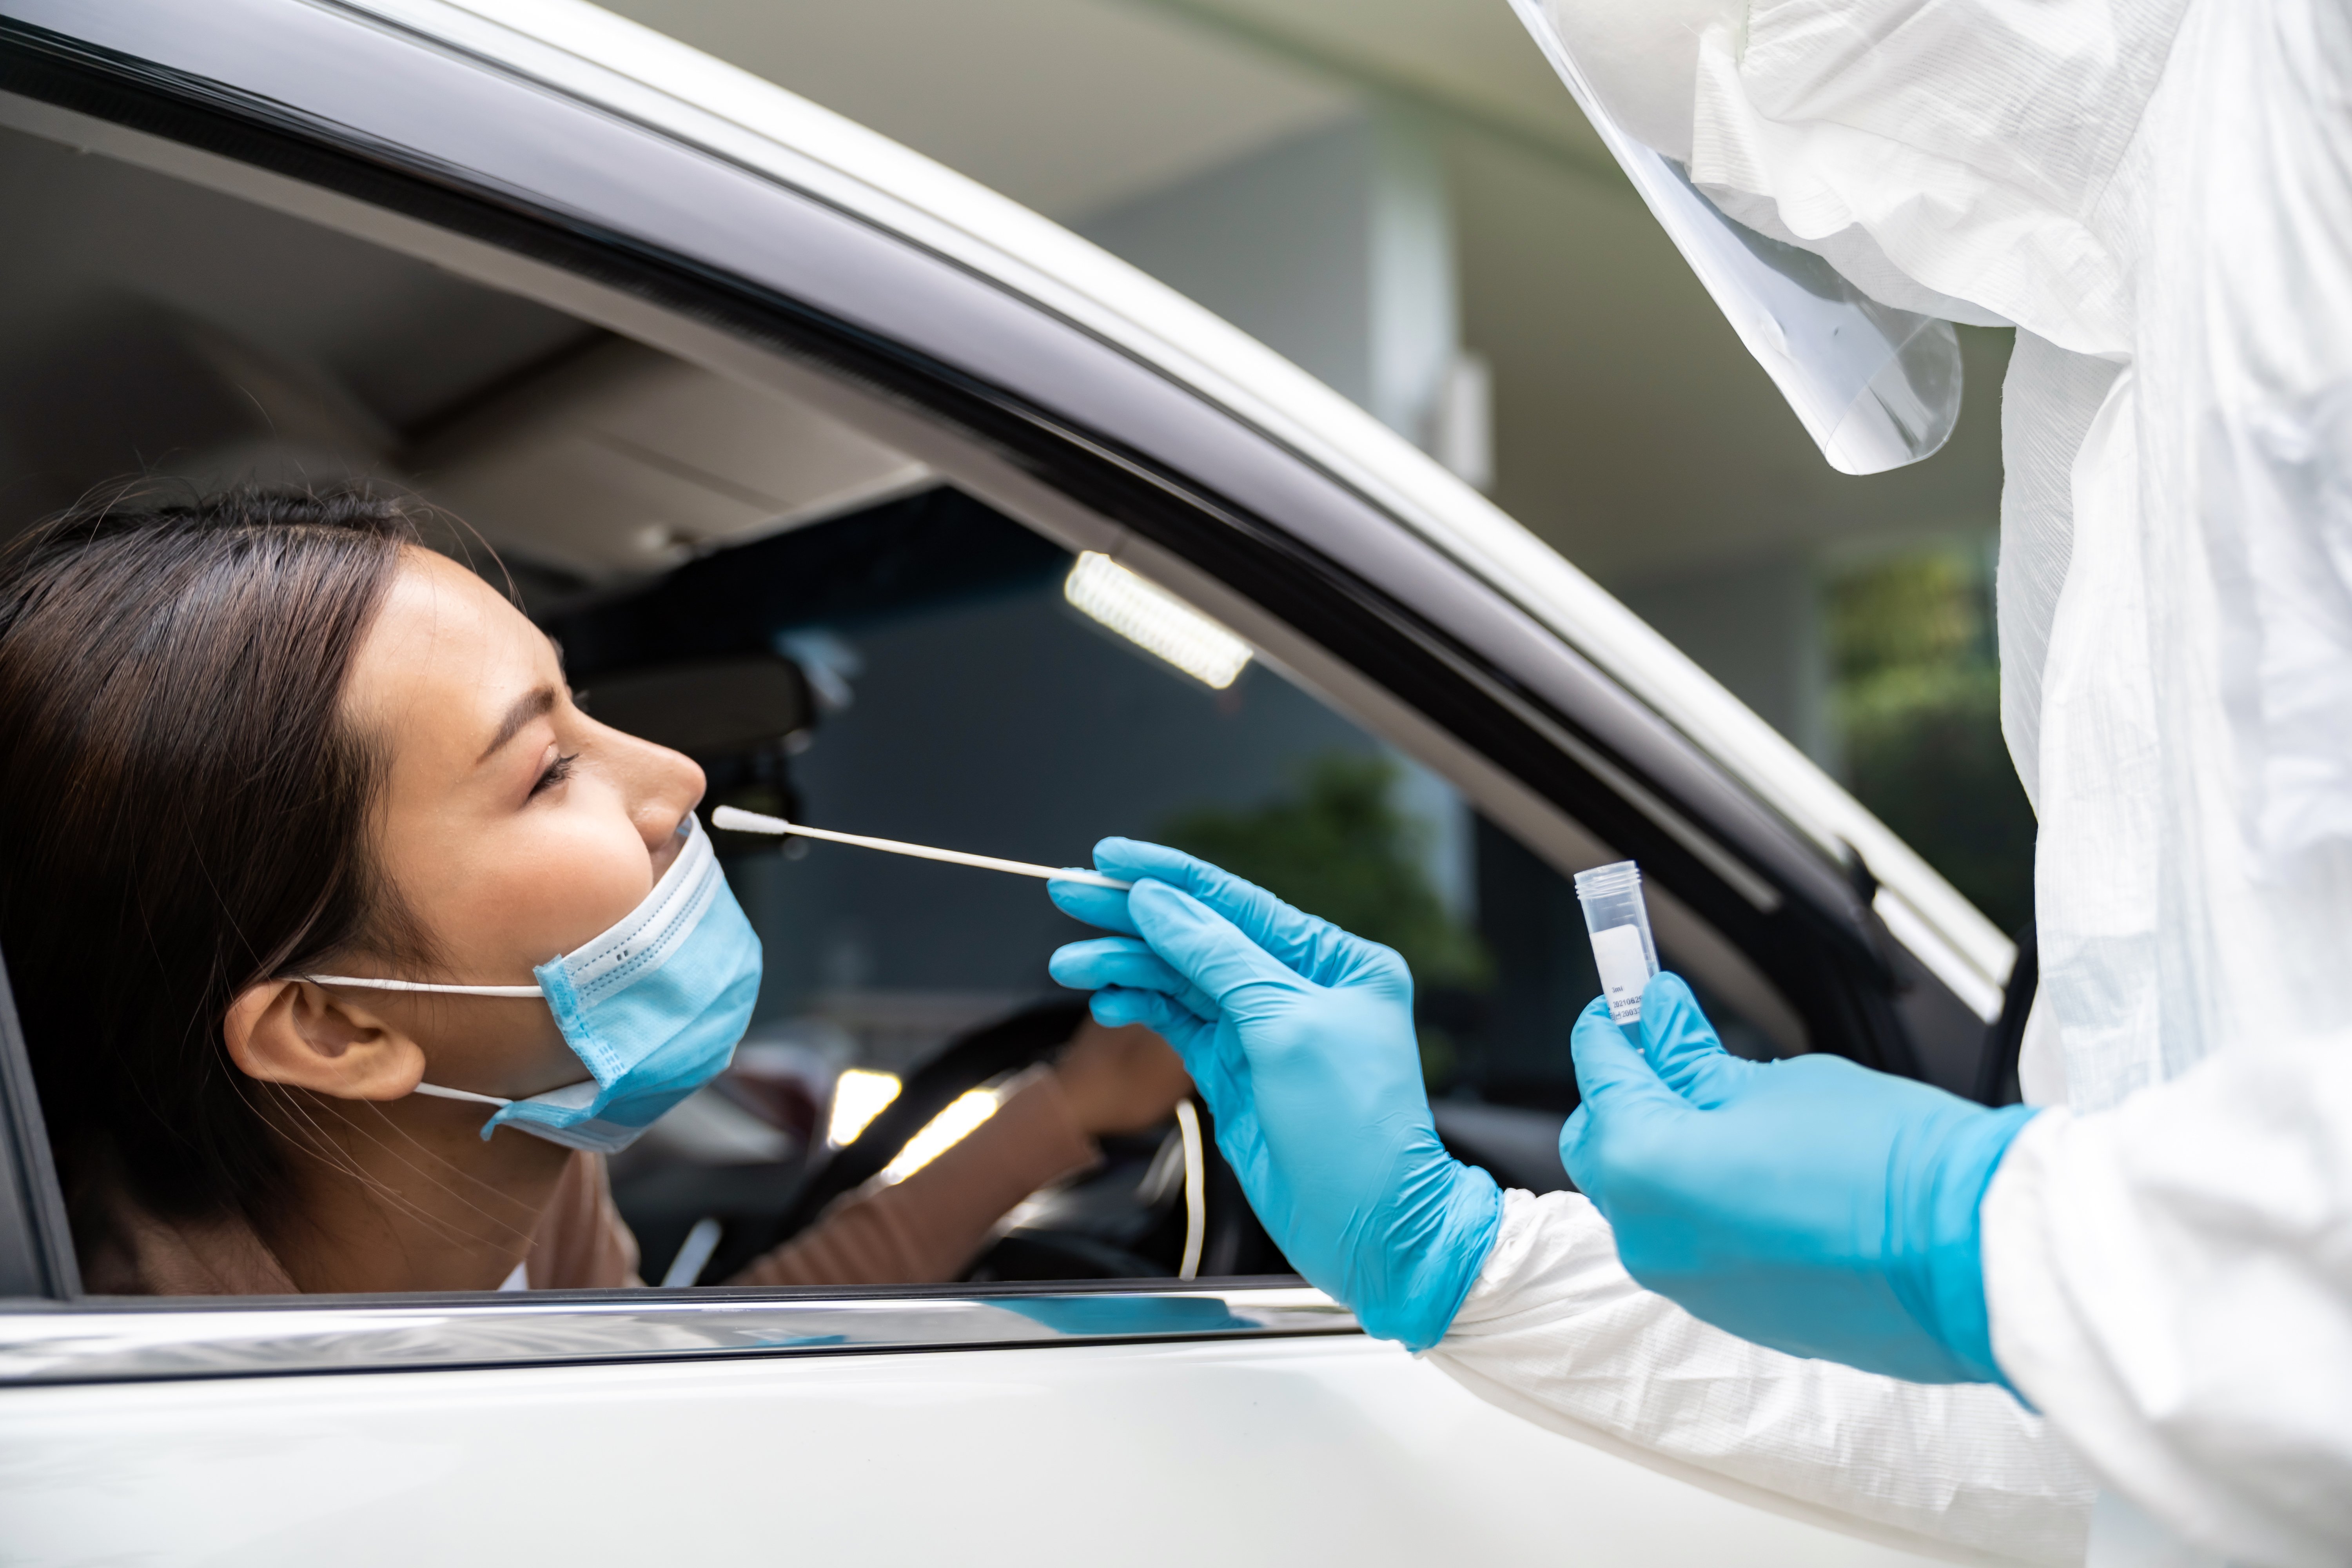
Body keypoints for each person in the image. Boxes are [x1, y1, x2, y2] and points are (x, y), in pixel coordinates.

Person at [1049, 1, 2352, 1565]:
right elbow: (2110, 1406)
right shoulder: (2136, 371)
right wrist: (1467, 1260)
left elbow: (2153, 1302)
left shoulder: (2298, 127)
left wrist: (1967, 1222)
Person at [0, 486, 1193, 1297]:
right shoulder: (183, 1421)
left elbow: (701, 1373)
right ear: (336, 1025)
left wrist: (1076, 1105)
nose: (678, 777)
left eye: (581, 704)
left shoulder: (519, 1149)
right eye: (548, 768)